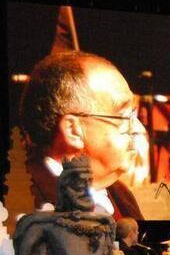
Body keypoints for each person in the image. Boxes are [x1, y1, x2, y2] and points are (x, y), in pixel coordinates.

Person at [19, 51, 143, 219]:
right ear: (73, 130)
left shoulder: (120, 194)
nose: (138, 129)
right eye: (123, 116)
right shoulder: (21, 204)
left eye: (134, 115)